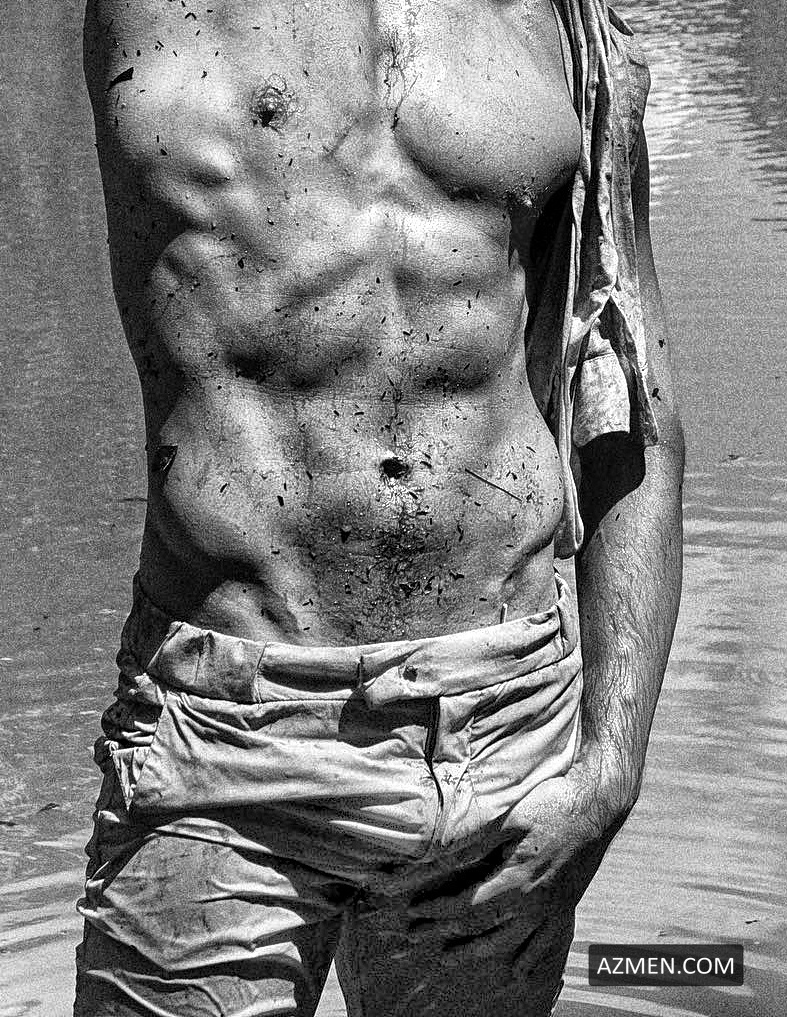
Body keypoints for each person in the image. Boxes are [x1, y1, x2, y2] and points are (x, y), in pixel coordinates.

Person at [75, 0, 684, 1014]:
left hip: (502, 724)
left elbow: (628, 400)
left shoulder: (561, 25)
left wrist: (612, 765)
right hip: (226, 738)